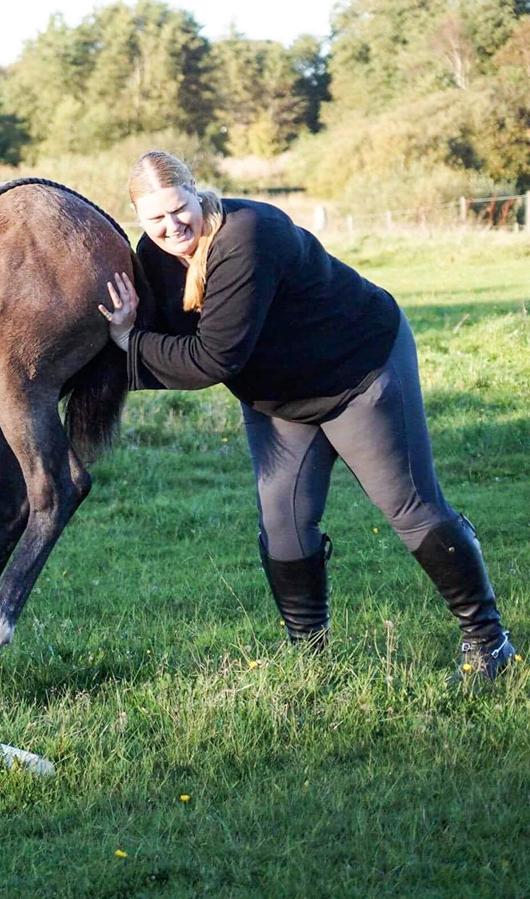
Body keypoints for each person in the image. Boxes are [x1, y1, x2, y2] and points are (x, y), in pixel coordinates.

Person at [99, 149, 516, 677]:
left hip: (359, 371)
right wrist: (129, 330)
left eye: (178, 208)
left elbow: (211, 358)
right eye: (154, 218)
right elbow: (175, 340)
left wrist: (130, 339)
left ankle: (487, 641)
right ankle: (309, 658)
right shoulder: (155, 256)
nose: (170, 225)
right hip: (280, 399)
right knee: (284, 523)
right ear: (139, 217)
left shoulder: (247, 236)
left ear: (196, 192)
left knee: (409, 507)